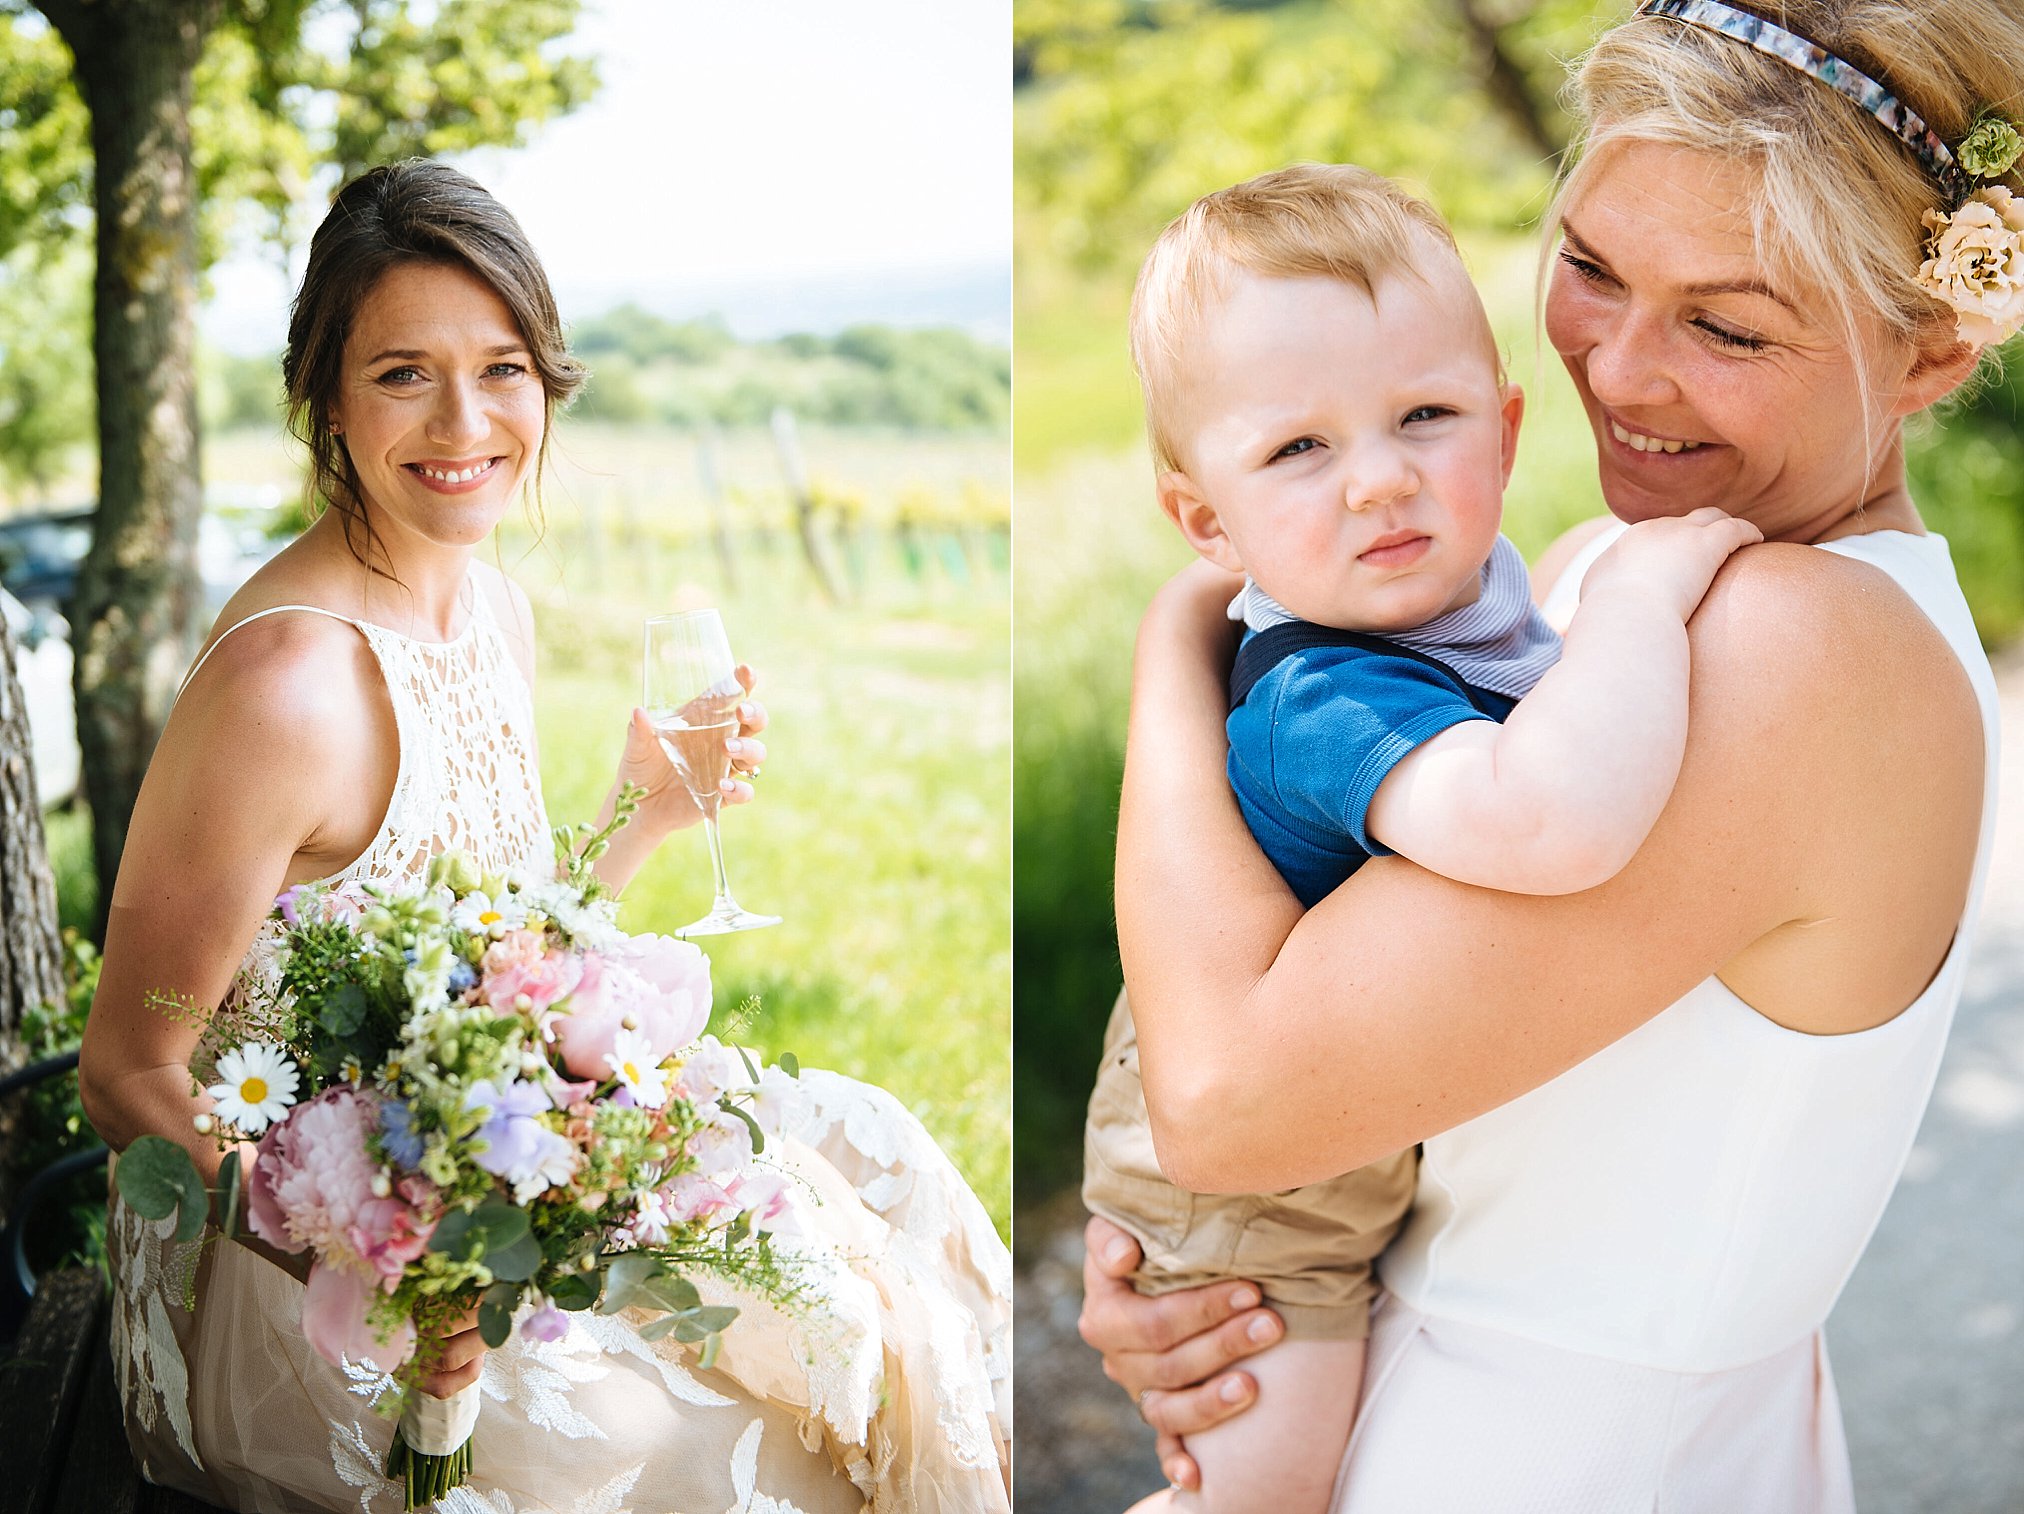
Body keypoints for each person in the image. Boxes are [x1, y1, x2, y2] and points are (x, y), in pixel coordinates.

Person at [1079, 1, 2018, 1509]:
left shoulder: (1792, 645)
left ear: (1930, 348)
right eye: (1589, 267)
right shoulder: (1594, 575)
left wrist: (1179, 643)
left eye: (1727, 323)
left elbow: (1227, 1098)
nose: (1621, 372)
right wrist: (1223, 1286)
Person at [78, 160, 1011, 1514]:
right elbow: (129, 1074)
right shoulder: (285, 684)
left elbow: (486, 962)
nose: (465, 421)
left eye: (502, 368)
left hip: (484, 1165)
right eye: (403, 373)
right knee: (684, 1436)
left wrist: (641, 816)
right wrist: (392, 1265)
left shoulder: (493, 615)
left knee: (881, 1194)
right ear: (325, 396)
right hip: (295, 1271)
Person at [1082, 161, 1758, 1513]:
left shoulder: (1472, 598)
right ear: (1207, 522)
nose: (1380, 481)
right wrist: (1646, 589)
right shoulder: (1330, 688)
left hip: (1352, 1124)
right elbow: (1547, 816)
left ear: (1504, 431)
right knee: (1259, 1492)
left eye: (1424, 416)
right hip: (1263, 1194)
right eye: (1298, 448)